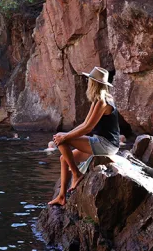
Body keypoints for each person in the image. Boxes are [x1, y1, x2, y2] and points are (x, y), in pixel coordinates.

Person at [48, 67, 120, 207]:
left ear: (93, 83)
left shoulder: (102, 102)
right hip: (101, 142)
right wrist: (65, 136)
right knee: (64, 157)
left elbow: (88, 128)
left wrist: (65, 137)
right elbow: (84, 123)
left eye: (89, 80)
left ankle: (76, 174)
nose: (87, 82)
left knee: (62, 140)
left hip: (106, 144)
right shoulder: (98, 99)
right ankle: (61, 197)